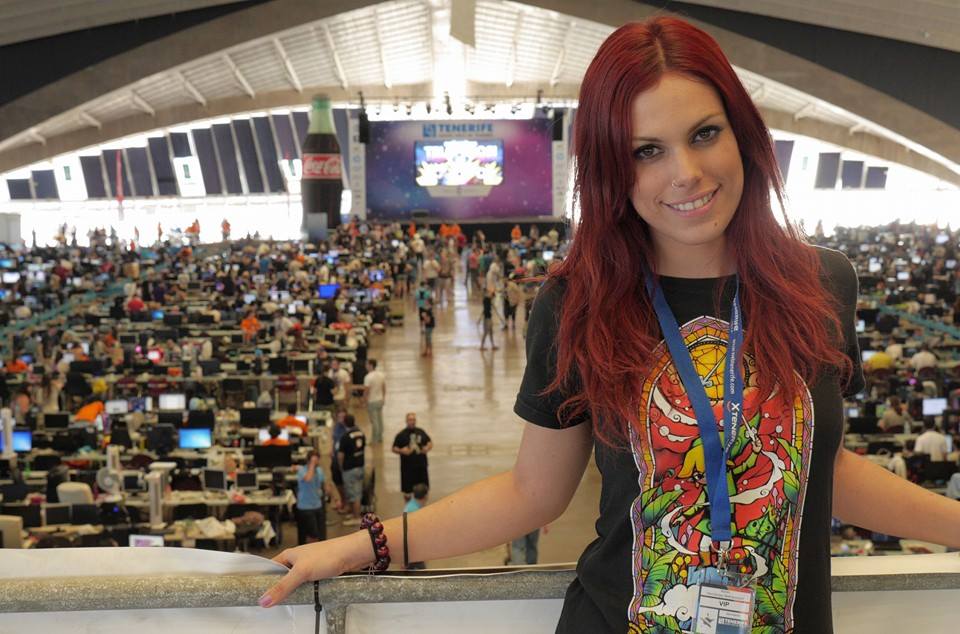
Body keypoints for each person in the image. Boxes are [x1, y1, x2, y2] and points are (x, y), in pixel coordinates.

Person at [259, 19, 960, 632]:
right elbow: (532, 493)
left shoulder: (821, 283)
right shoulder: (579, 303)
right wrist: (362, 546)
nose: (686, 173)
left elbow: (822, 466)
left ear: (742, 134)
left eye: (705, 134)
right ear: (609, 170)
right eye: (645, 151)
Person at [296, 450, 337, 544]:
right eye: (314, 460)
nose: (316, 463)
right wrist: (312, 465)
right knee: (312, 534)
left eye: (317, 460)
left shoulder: (319, 470)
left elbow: (324, 485)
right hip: (305, 507)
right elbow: (308, 479)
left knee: (321, 535)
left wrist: (334, 498)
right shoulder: (302, 470)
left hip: (318, 505)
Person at [391, 412, 432, 501]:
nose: (412, 422)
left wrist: (427, 448)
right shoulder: (401, 435)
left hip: (421, 467)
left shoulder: (421, 432)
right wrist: (401, 451)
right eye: (410, 420)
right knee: (407, 492)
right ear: (406, 421)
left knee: (423, 491)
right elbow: (394, 448)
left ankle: (423, 507)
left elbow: (429, 442)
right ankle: (408, 508)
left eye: (413, 420)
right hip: (407, 469)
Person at [336, 414, 365, 526]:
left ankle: (357, 517)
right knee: (355, 491)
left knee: (354, 494)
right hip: (359, 466)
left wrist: (341, 466)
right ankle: (353, 513)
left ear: (345, 423)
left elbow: (340, 455)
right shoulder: (361, 433)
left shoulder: (345, 437)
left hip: (350, 468)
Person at [362, 359, 386, 444]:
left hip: (372, 401)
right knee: (380, 420)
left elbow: (366, 391)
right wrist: (383, 397)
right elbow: (384, 387)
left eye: (367, 364)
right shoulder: (381, 375)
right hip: (379, 400)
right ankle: (380, 437)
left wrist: (364, 401)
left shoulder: (368, 377)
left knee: (374, 421)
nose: (366, 366)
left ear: (371, 365)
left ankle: (374, 439)